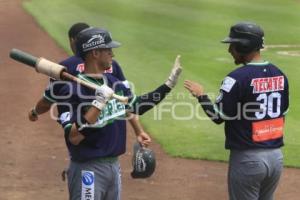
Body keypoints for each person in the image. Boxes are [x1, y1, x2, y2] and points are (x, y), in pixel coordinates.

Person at [56, 27, 182, 200]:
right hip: (88, 169)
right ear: (95, 53)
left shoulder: (114, 84)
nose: (113, 55)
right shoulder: (71, 91)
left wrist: (168, 85)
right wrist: (98, 104)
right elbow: (74, 136)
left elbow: (136, 106)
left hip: (113, 167)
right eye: (108, 50)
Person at [184, 22, 289, 200]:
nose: (229, 50)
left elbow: (218, 116)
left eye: (232, 45)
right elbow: (282, 114)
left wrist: (201, 96)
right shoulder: (279, 74)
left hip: (248, 160)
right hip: (276, 158)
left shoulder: (236, 78)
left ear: (243, 45)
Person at [28, 22, 151, 147]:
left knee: (79, 148)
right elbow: (125, 101)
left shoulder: (63, 68)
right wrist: (138, 130)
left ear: (72, 41)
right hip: (109, 137)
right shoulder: (112, 64)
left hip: (82, 137)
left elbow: (47, 102)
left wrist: (34, 112)